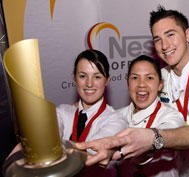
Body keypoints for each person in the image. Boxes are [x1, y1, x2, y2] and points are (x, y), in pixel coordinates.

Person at [75, 6, 189, 177]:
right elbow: (136, 121)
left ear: (188, 35)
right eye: (157, 39)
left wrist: (155, 139)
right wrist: (113, 147)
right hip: (181, 171)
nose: (164, 45)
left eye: (170, 35)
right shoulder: (158, 78)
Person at [2, 49, 127, 177]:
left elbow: (90, 151)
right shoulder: (63, 112)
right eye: (83, 76)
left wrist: (48, 145)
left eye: (97, 77)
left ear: (107, 81)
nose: (89, 83)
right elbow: (50, 132)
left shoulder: (117, 120)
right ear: (74, 78)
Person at [116, 55, 184, 177]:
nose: (141, 84)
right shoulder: (116, 117)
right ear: (128, 83)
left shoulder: (172, 117)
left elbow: (167, 134)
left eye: (149, 78)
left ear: (160, 85)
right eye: (135, 77)